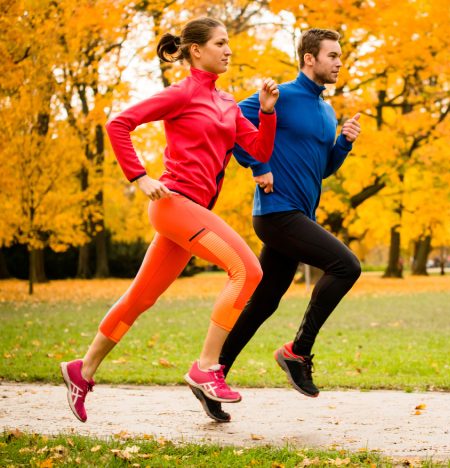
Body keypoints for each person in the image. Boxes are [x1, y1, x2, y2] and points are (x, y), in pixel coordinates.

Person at [59, 17, 280, 423]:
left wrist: (267, 112)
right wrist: (139, 177)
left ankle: (82, 369)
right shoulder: (180, 94)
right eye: (220, 43)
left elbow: (259, 150)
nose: (228, 50)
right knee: (247, 270)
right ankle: (206, 367)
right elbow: (119, 124)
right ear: (196, 50)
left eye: (228, 43)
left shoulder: (228, 103)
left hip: (192, 214)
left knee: (141, 297)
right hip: (173, 203)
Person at [195, 28, 362, 422]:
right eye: (332, 55)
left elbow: (322, 171)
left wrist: (343, 144)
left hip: (298, 215)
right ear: (309, 59)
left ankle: (211, 375)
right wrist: (259, 166)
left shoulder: (326, 111)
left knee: (264, 302)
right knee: (347, 265)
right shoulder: (281, 95)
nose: (339, 62)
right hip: (276, 213)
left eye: (340, 56)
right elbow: (231, 122)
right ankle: (298, 351)